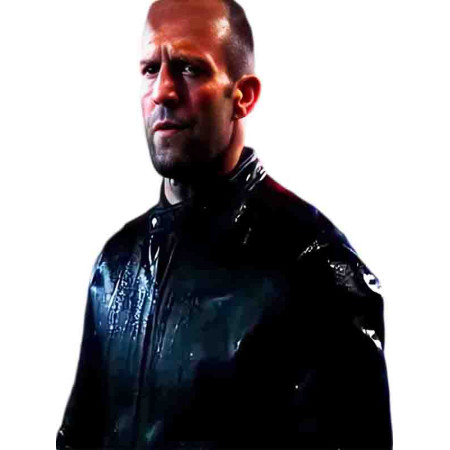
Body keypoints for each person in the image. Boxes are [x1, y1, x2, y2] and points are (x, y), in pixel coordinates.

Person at [57, 0, 392, 448]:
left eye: (189, 69)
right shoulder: (116, 266)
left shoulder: (313, 270)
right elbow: (78, 437)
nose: (162, 91)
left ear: (243, 96)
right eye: (150, 69)